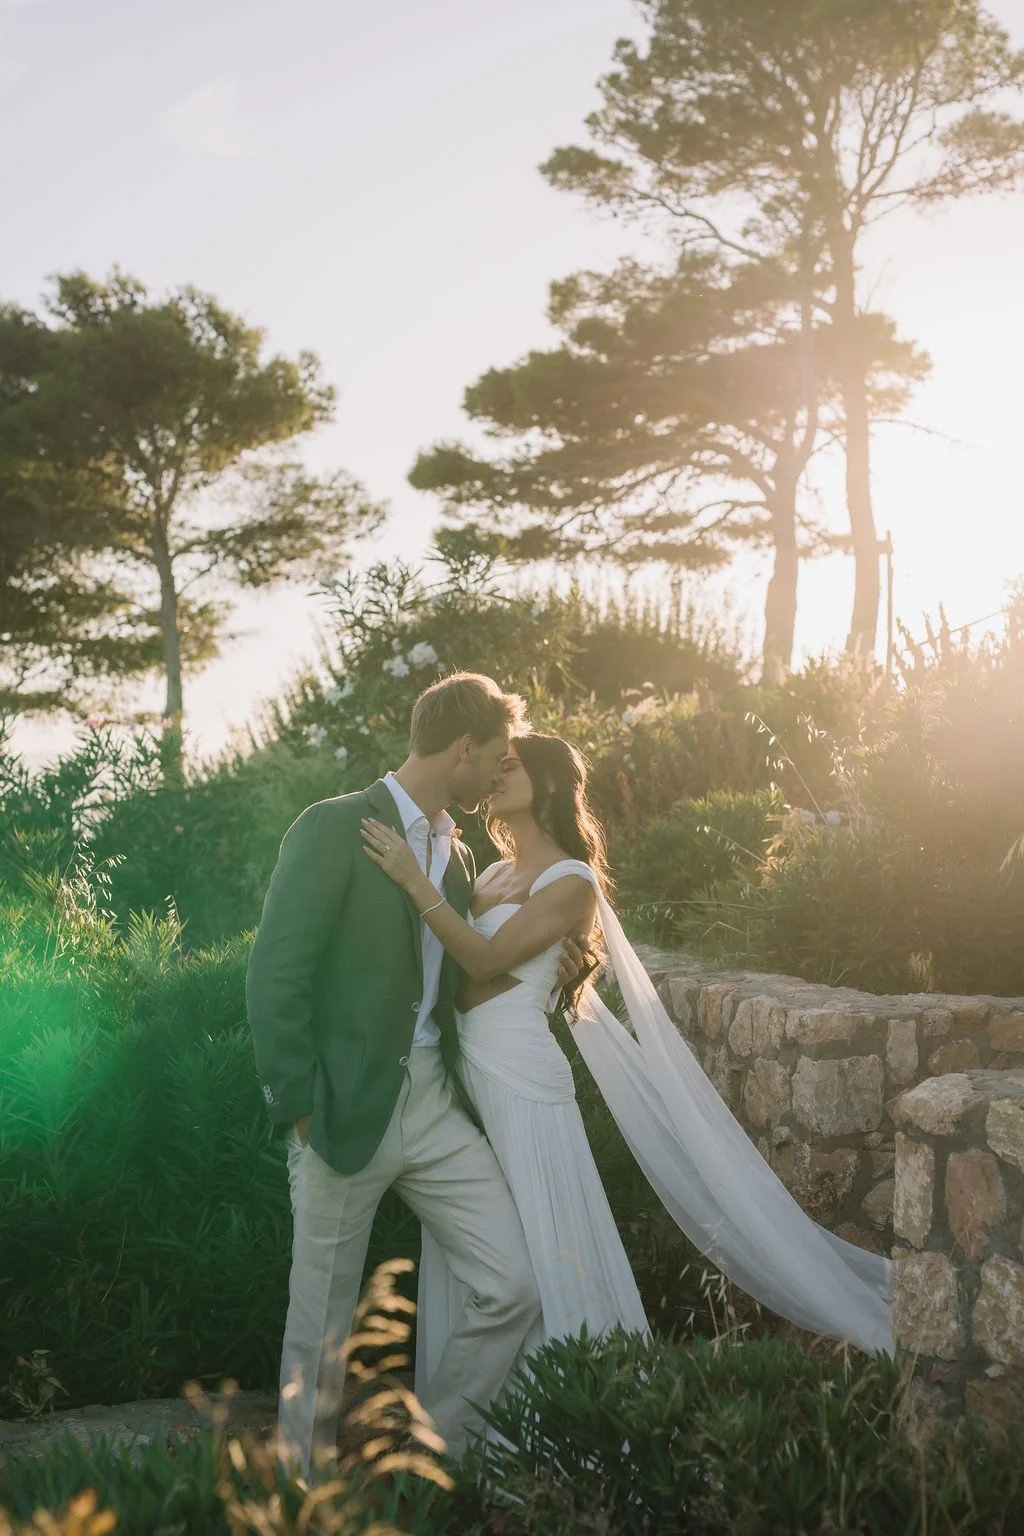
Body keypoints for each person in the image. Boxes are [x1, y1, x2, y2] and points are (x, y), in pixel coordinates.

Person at [361, 733, 894, 1374]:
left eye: (510, 767)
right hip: (468, 1075)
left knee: (544, 1239)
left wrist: (413, 881)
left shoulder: (571, 880)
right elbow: (451, 977)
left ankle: (566, 1411)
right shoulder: (493, 873)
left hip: (522, 1078)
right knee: (485, 1248)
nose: (495, 778)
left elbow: (479, 958)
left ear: (549, 784)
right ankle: (479, 1431)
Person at [246, 673, 580, 1481]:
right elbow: (274, 974)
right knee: (319, 1325)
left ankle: (427, 1456)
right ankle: (304, 1494)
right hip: (339, 1113)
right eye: (495, 757)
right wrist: (298, 1109)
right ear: (462, 748)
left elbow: (461, 970)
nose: (499, 774)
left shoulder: (458, 855)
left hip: (435, 1107)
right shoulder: (333, 827)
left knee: (512, 1284)